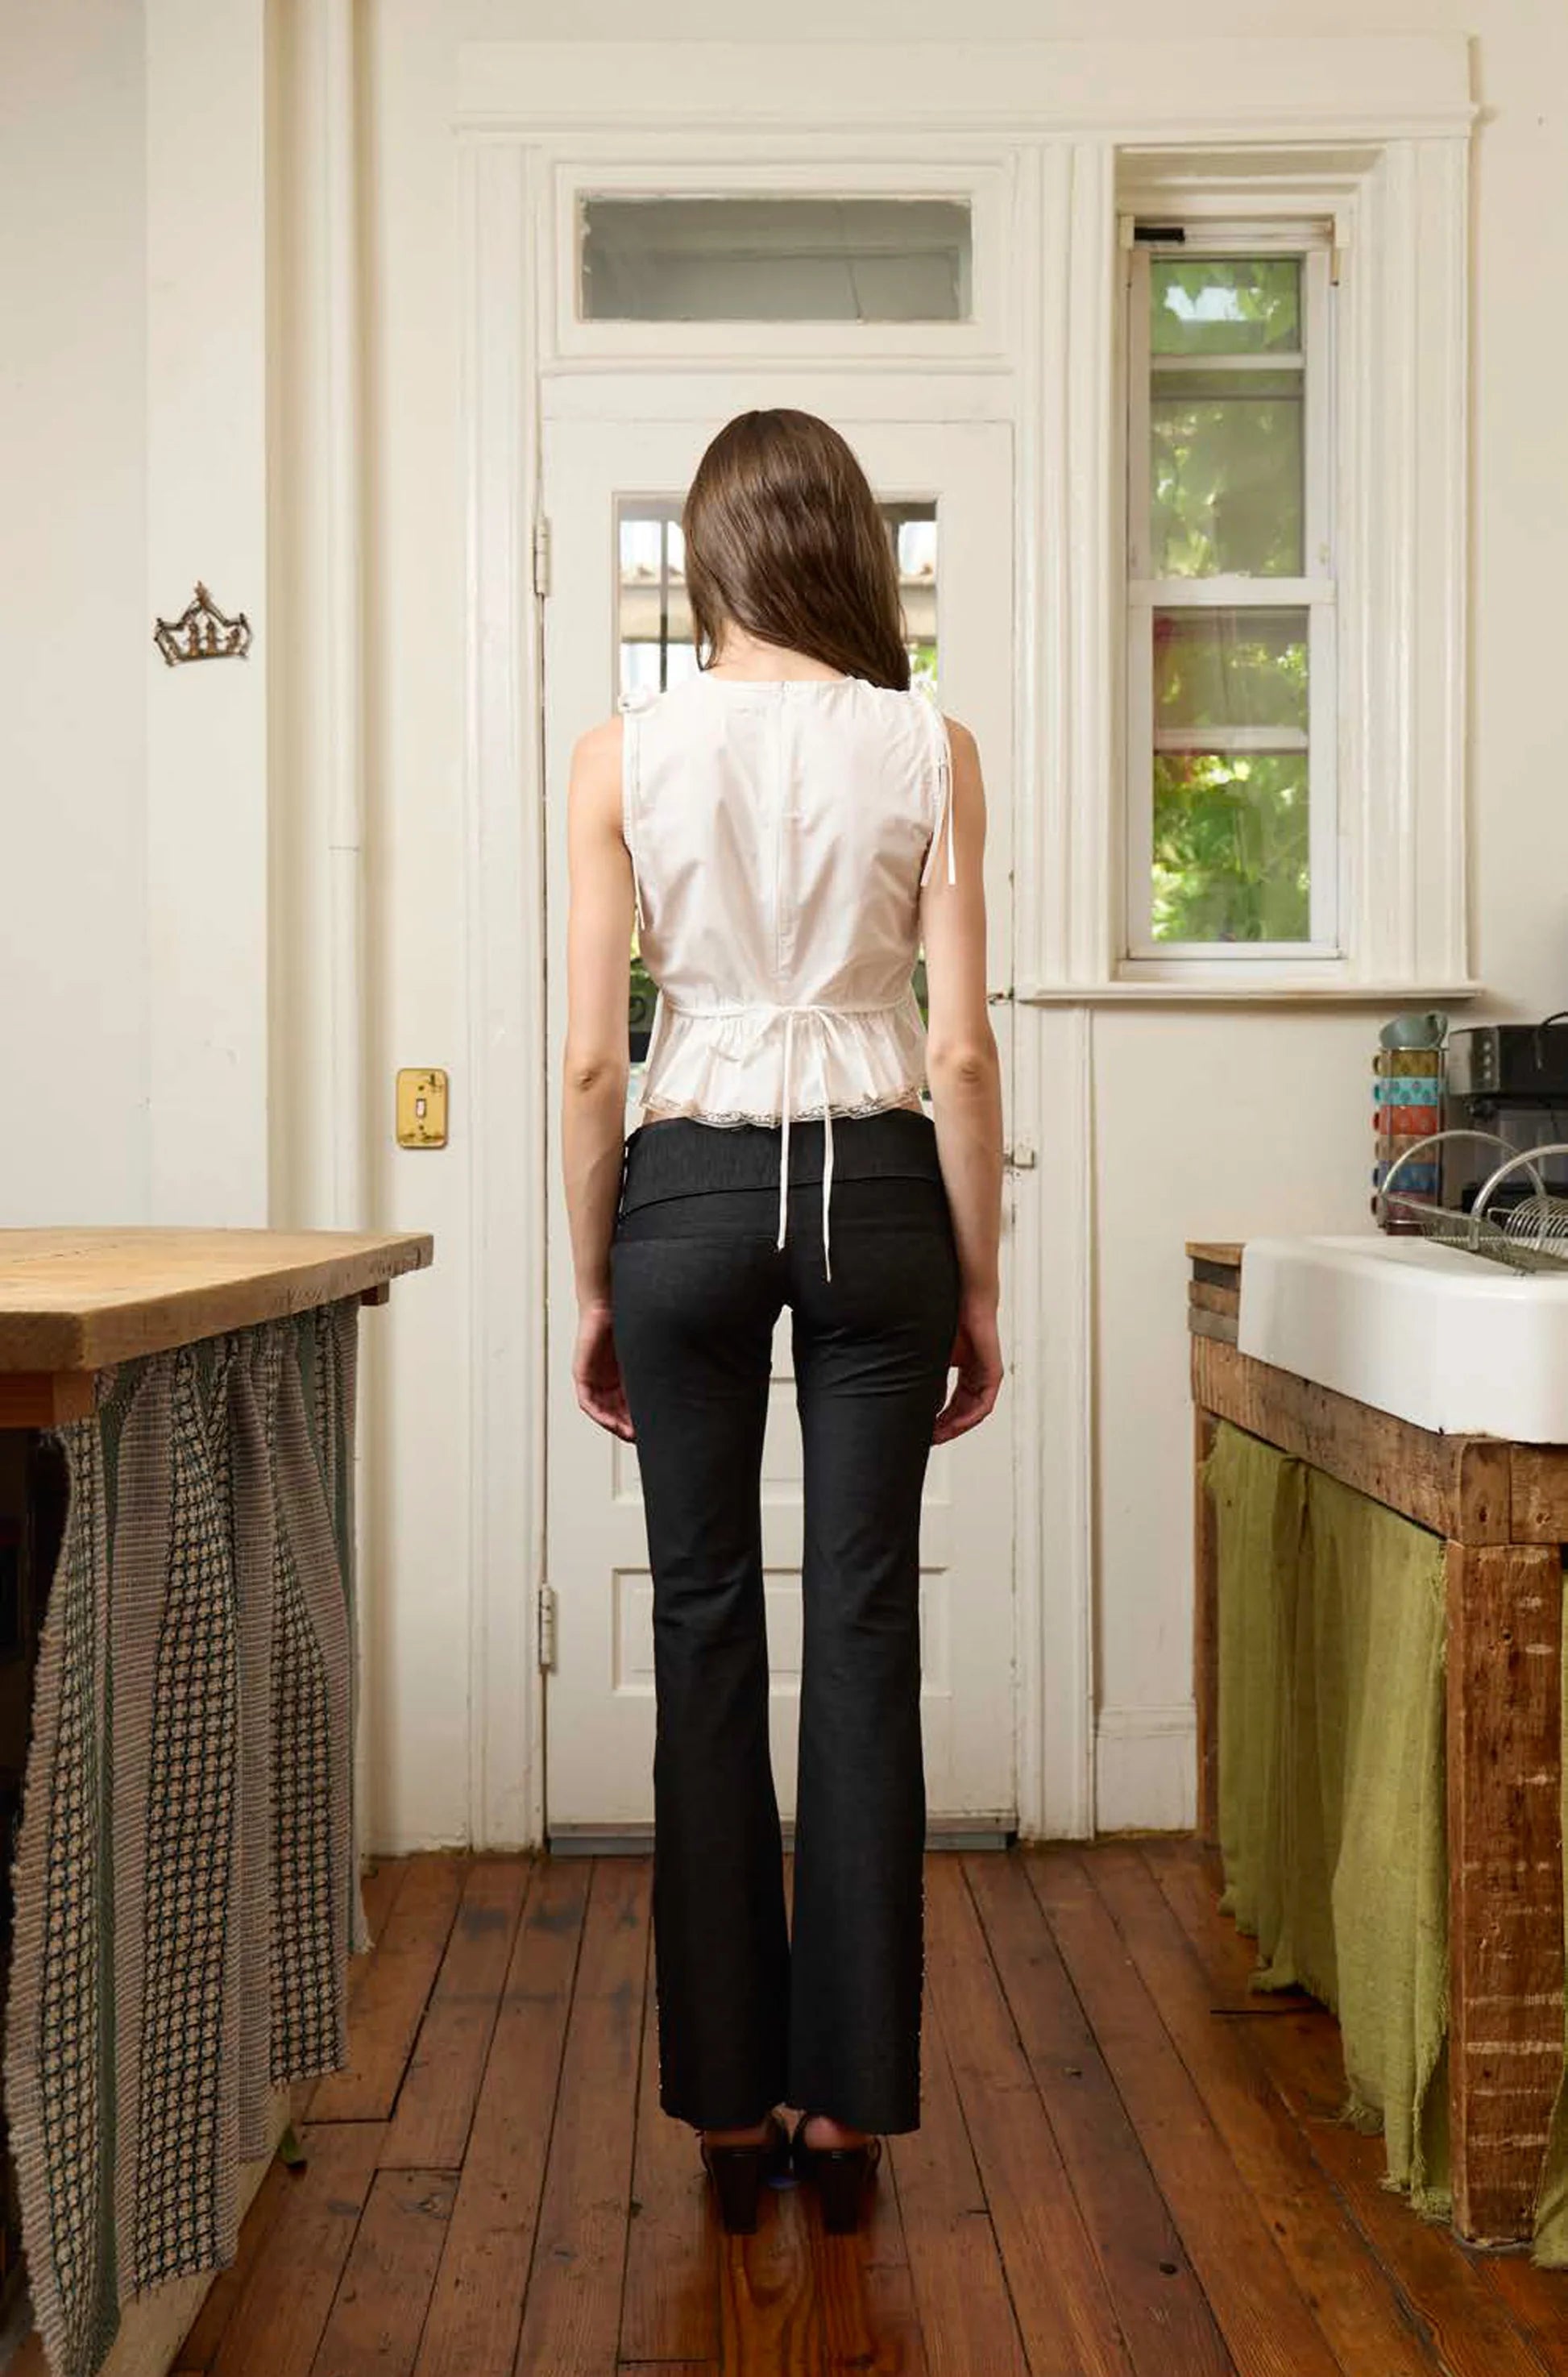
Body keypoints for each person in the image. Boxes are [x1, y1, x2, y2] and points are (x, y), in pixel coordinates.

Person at [559, 407, 1005, 2237]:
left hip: (689, 1187)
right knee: (867, 1627)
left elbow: (596, 1051)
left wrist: (599, 1274)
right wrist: (976, 1282)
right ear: (845, 551)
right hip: (884, 1187)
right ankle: (849, 2120)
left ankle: (729, 2107)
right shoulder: (933, 744)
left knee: (702, 1625)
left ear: (708, 556)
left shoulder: (620, 751)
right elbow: (963, 1045)